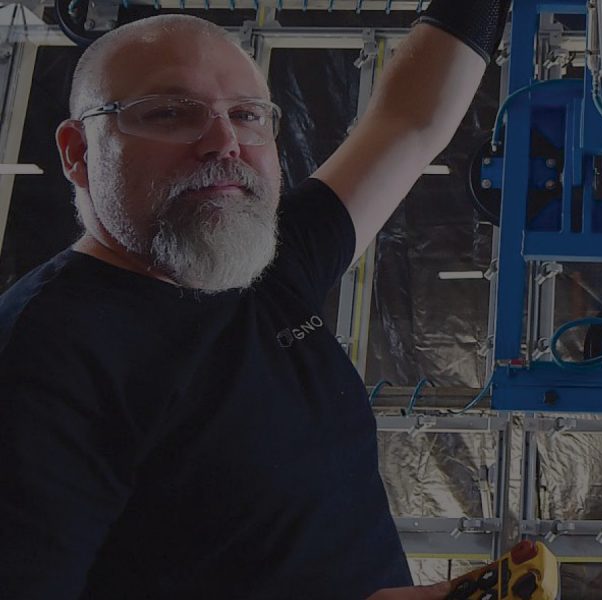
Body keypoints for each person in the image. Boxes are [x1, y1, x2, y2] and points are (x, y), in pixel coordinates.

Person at [0, 1, 509, 597]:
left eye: (246, 115)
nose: (224, 143)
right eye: (168, 113)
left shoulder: (262, 269)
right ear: (79, 152)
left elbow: (409, 121)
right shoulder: (40, 361)